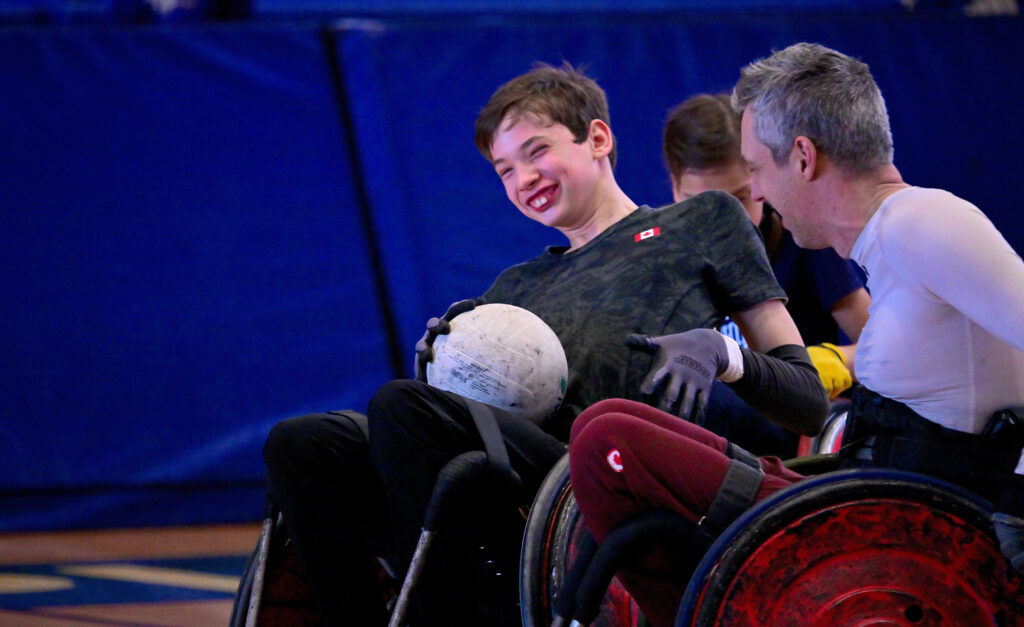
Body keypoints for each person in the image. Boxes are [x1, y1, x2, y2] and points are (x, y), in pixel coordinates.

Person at [262, 62, 827, 626]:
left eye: (537, 152)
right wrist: (443, 364)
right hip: (511, 474)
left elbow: (807, 401)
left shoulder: (702, 221)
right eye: (505, 170)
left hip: (600, 470)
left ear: (598, 139)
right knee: (303, 443)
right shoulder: (511, 290)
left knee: (402, 405)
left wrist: (722, 353)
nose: (523, 178)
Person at [568, 42, 1024, 627]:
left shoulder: (925, 221)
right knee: (610, 425)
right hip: (860, 513)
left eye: (756, 170)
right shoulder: (893, 241)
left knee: (609, 446)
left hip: (896, 548)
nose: (756, 193)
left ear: (804, 157)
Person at [663, 92, 871, 400]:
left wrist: (839, 360)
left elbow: (887, 346)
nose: (726, 221)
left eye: (740, 198)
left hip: (797, 420)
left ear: (759, 177)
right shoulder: (658, 256)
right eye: (704, 204)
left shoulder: (802, 240)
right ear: (675, 188)